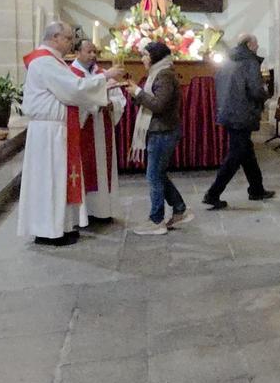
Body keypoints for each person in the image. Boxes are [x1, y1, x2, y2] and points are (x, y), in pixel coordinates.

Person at [18, 23, 124, 246]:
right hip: (49, 132)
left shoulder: (51, 60)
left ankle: (61, 226)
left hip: (56, 129)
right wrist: (105, 78)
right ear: (55, 38)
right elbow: (74, 89)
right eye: (67, 39)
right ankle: (48, 231)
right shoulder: (45, 61)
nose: (70, 44)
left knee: (59, 180)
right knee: (51, 181)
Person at [203, 34, 274, 210]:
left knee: (246, 152)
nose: (257, 46)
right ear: (249, 44)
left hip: (228, 111)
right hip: (242, 114)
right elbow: (256, 90)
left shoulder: (228, 60)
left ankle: (257, 189)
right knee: (235, 155)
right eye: (256, 43)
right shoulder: (250, 62)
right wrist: (266, 93)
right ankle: (213, 194)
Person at [128, 41, 192, 235]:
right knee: (159, 174)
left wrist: (138, 92)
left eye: (145, 55)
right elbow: (150, 100)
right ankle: (179, 209)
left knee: (154, 175)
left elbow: (159, 105)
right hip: (158, 130)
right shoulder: (158, 72)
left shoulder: (164, 74)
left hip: (163, 131)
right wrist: (135, 94)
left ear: (155, 56)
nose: (142, 59)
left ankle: (157, 221)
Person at [71, 38, 126, 223]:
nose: (93, 55)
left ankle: (102, 210)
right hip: (84, 129)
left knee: (103, 169)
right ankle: (83, 212)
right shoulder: (71, 74)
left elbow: (119, 99)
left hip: (102, 130)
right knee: (85, 170)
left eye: (95, 51)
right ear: (77, 52)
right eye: (89, 51)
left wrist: (112, 104)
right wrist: (96, 104)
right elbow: (75, 101)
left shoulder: (103, 73)